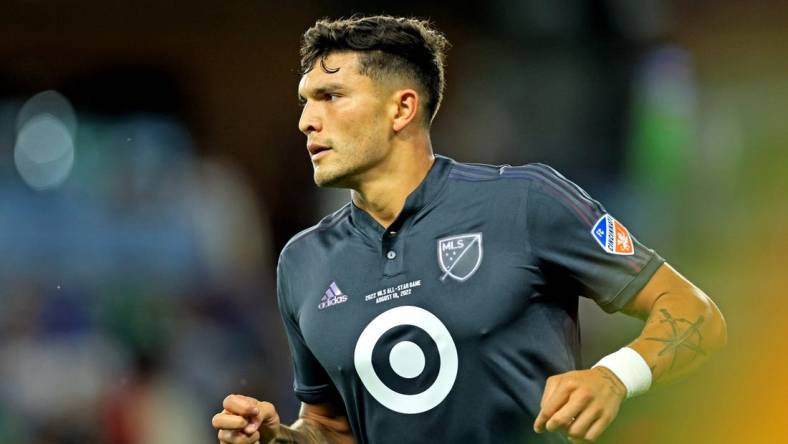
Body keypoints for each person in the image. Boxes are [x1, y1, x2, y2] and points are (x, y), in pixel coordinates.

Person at [212, 15, 727, 444]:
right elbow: (332, 427)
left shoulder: (525, 202)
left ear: (402, 108)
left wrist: (615, 376)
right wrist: (280, 438)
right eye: (305, 100)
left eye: (331, 96)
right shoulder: (303, 262)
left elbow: (694, 313)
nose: (307, 120)